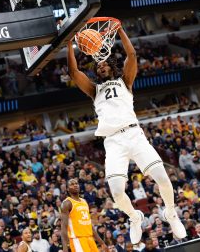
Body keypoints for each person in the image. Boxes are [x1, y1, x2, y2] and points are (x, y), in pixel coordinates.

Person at [67, 22, 186, 244]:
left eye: (104, 64)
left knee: (163, 178)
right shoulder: (95, 90)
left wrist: (119, 30)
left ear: (112, 66)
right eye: (98, 66)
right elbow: (73, 72)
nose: (101, 66)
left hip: (134, 135)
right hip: (113, 142)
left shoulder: (125, 82)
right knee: (117, 192)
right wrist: (68, 43)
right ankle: (134, 217)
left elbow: (131, 54)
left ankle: (170, 212)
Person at [61, 179, 107, 252]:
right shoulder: (67, 203)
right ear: (67, 189)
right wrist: (65, 248)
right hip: (77, 239)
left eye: (76, 183)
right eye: (72, 184)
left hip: (89, 238)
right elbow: (63, 227)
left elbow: (89, 224)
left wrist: (101, 242)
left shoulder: (84, 201)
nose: (75, 185)